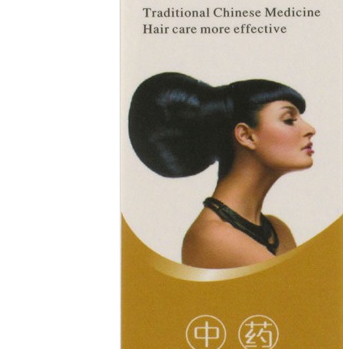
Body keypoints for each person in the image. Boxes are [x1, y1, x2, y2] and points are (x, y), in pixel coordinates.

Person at [128, 72, 316, 269]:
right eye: (289, 119)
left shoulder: (278, 230)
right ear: (246, 136)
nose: (310, 129)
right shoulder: (212, 237)